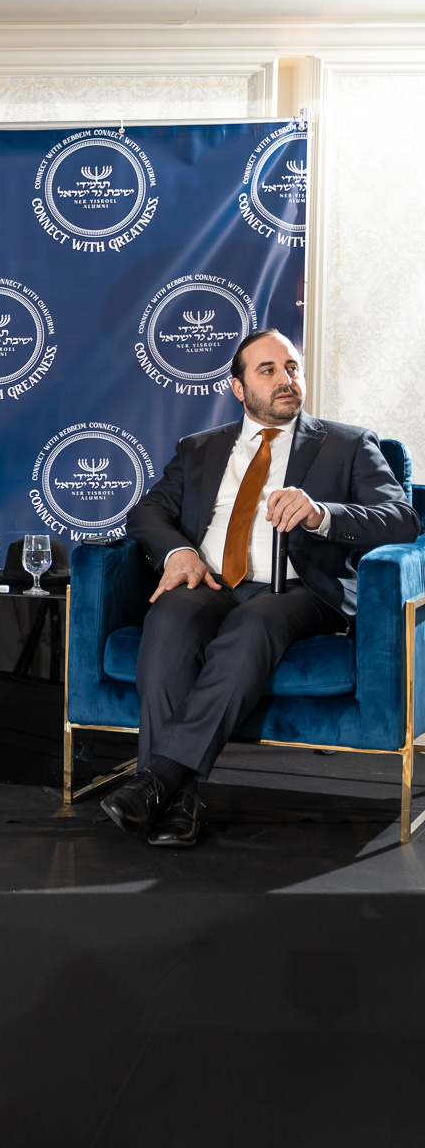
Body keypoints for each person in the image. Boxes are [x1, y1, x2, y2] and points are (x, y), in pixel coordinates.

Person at [107, 329, 419, 847]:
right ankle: (178, 801)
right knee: (167, 622)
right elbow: (147, 512)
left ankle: (158, 779)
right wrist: (178, 552)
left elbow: (402, 519)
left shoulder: (348, 444)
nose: (285, 379)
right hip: (210, 579)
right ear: (239, 387)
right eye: (268, 370)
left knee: (253, 624)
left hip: (298, 590)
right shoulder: (200, 448)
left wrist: (322, 515)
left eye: (292, 368)